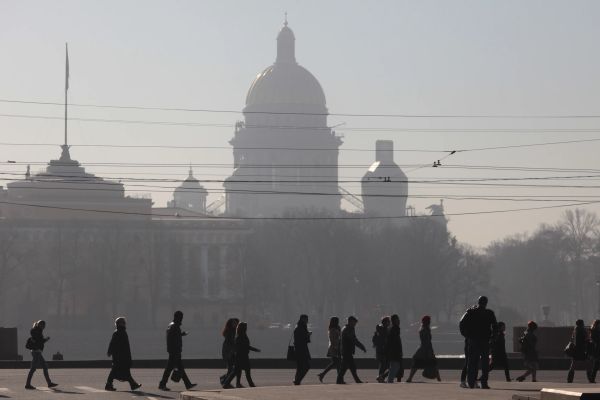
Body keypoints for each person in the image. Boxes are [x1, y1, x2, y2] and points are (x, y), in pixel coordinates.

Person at [461, 296, 497, 389]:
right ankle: (484, 383)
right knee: (485, 363)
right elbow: (495, 326)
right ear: (486, 303)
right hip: (485, 340)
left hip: (474, 340)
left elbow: (462, 323)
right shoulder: (489, 313)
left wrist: (467, 335)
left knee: (472, 362)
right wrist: (493, 337)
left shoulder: (471, 312)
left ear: (478, 302)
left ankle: (471, 382)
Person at [159, 311, 197, 391]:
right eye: (181, 317)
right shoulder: (175, 326)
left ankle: (187, 384)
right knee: (170, 368)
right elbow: (173, 339)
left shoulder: (171, 325)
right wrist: (175, 350)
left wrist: (181, 334)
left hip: (173, 350)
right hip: (175, 351)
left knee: (179, 368)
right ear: (178, 317)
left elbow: (172, 337)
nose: (182, 319)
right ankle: (162, 384)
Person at [105, 317, 141, 391]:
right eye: (123, 322)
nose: (124, 324)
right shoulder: (119, 332)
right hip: (120, 356)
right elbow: (113, 344)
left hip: (120, 356)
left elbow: (113, 344)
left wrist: (110, 352)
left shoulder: (120, 332)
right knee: (120, 371)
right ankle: (132, 384)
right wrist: (110, 352)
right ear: (120, 323)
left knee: (118, 371)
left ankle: (132, 384)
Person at [222, 322, 260, 388]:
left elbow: (244, 346)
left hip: (240, 357)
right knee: (245, 371)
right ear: (244, 328)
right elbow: (246, 346)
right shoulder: (241, 337)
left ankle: (227, 384)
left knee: (236, 372)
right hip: (242, 357)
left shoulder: (239, 336)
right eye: (246, 327)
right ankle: (250, 384)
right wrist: (254, 349)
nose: (246, 328)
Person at [406, 315, 441, 382]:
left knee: (416, 363)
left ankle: (410, 378)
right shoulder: (426, 330)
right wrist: (428, 351)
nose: (430, 322)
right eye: (429, 321)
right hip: (427, 349)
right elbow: (427, 342)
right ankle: (438, 378)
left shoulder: (422, 329)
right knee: (433, 363)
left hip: (422, 349)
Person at [25, 320, 58, 390]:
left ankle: (49, 383)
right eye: (43, 325)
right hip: (36, 352)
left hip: (37, 352)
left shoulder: (37, 331)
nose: (44, 326)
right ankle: (28, 384)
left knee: (44, 366)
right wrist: (46, 339)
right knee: (33, 368)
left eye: (44, 325)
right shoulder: (37, 331)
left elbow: (38, 341)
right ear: (40, 325)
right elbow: (39, 341)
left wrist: (43, 340)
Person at [336, 316, 367, 384]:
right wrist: (362, 347)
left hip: (346, 350)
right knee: (351, 366)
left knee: (345, 367)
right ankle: (356, 380)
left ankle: (339, 380)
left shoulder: (347, 328)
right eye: (354, 322)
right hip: (347, 350)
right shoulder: (348, 329)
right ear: (350, 321)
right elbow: (354, 340)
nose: (355, 324)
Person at [317, 316, 341, 383]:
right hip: (334, 347)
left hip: (336, 347)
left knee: (336, 363)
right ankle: (339, 379)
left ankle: (323, 374)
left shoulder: (336, 328)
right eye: (337, 321)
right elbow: (332, 339)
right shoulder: (332, 329)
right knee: (337, 363)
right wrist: (336, 347)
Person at [567, 319, 589, 383]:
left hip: (576, 350)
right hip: (582, 349)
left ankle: (569, 379)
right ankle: (590, 378)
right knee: (587, 364)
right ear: (582, 323)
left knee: (573, 365)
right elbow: (586, 339)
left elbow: (573, 339)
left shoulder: (575, 330)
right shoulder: (582, 330)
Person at [293, 314, 312, 385]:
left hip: (299, 349)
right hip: (302, 349)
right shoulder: (301, 327)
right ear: (303, 319)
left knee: (300, 366)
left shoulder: (299, 327)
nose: (307, 321)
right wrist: (308, 335)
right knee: (306, 366)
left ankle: (297, 379)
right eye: (306, 319)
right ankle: (298, 380)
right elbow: (302, 339)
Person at [220, 318, 239, 385]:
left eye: (236, 323)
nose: (235, 324)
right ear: (230, 324)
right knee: (231, 369)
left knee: (232, 369)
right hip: (228, 352)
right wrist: (230, 353)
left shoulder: (234, 331)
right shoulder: (230, 332)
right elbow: (231, 343)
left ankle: (224, 379)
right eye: (234, 323)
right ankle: (225, 381)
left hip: (231, 352)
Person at [385, 314, 403, 383]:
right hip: (395, 351)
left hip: (392, 351)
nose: (399, 320)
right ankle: (389, 381)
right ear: (394, 320)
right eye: (397, 319)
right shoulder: (395, 328)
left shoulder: (391, 328)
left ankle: (389, 380)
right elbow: (395, 342)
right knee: (395, 367)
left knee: (394, 366)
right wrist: (398, 351)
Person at [373, 316, 390, 383]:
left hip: (379, 349)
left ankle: (380, 377)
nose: (389, 323)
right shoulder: (384, 329)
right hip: (383, 349)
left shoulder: (379, 329)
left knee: (382, 364)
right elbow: (385, 340)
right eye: (388, 321)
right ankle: (381, 377)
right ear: (386, 322)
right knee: (385, 364)